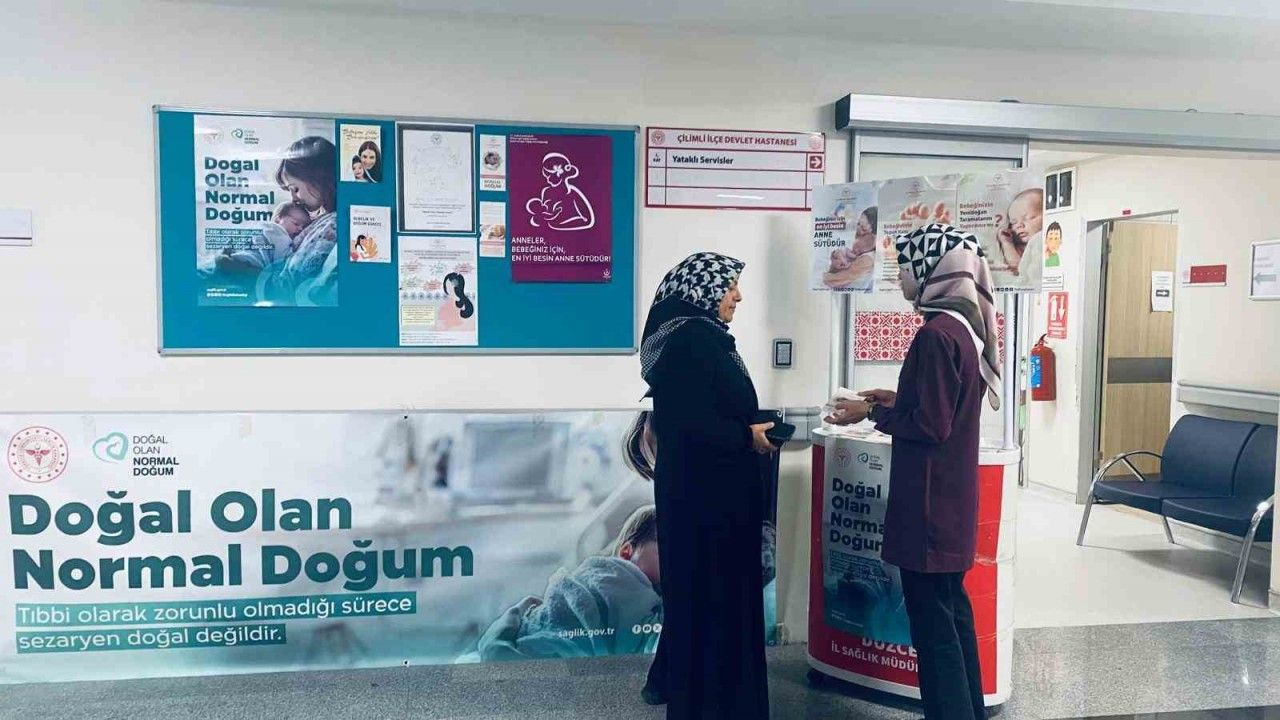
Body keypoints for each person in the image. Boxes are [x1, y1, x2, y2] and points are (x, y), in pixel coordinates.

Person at [826, 223, 1002, 720]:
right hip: (950, 502)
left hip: (928, 507)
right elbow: (944, 407)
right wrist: (896, 399)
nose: (900, 275)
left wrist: (870, 413)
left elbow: (930, 424)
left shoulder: (935, 335)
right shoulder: (963, 329)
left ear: (933, 270)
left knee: (933, 632)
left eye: (906, 265)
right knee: (953, 617)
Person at [639, 252, 774, 720]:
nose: (738, 296)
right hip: (708, 500)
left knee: (702, 601)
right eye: (729, 287)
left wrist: (750, 427)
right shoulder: (692, 340)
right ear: (702, 291)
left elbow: (704, 411)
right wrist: (747, 436)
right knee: (711, 602)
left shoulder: (696, 337)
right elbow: (690, 426)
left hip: (704, 495)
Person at [476, 505, 663, 661]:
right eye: (664, 548)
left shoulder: (651, 602)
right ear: (626, 553)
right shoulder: (612, 575)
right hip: (542, 638)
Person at [260, 136, 338, 306]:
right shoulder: (321, 221)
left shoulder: (332, 224)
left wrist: (250, 274)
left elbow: (296, 278)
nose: (293, 198)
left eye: (295, 189)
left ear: (317, 179)